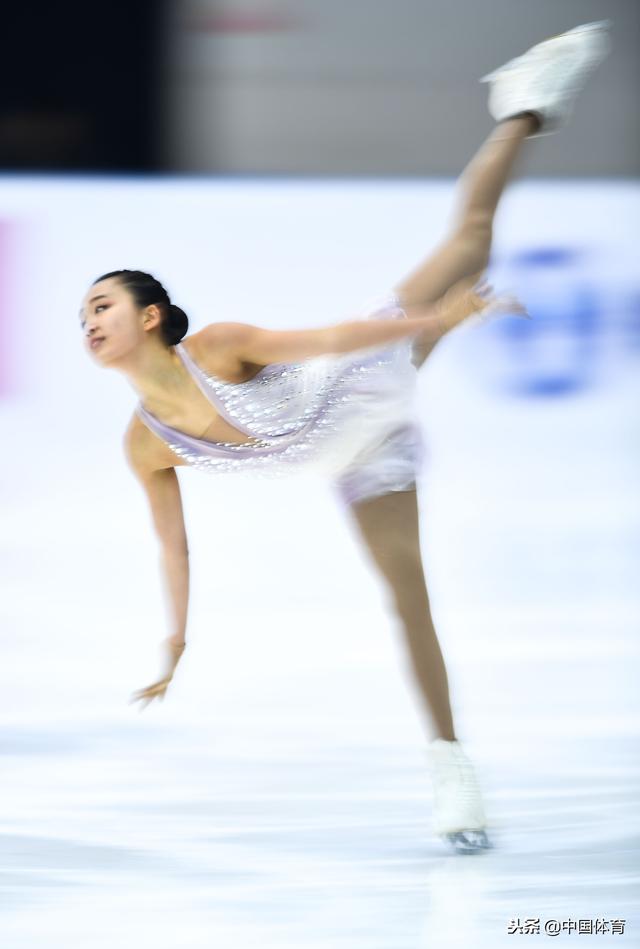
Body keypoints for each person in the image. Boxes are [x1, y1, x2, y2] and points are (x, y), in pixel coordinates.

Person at [79, 22, 609, 854]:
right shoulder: (145, 444)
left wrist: (439, 319)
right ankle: (452, 768)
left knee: (472, 238)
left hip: (365, 369)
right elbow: (174, 550)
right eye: (83, 316)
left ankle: (524, 103)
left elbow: (328, 339)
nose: (90, 322)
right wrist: (175, 642)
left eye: (102, 306)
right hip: (364, 455)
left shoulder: (217, 345)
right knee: (411, 597)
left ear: (149, 317)